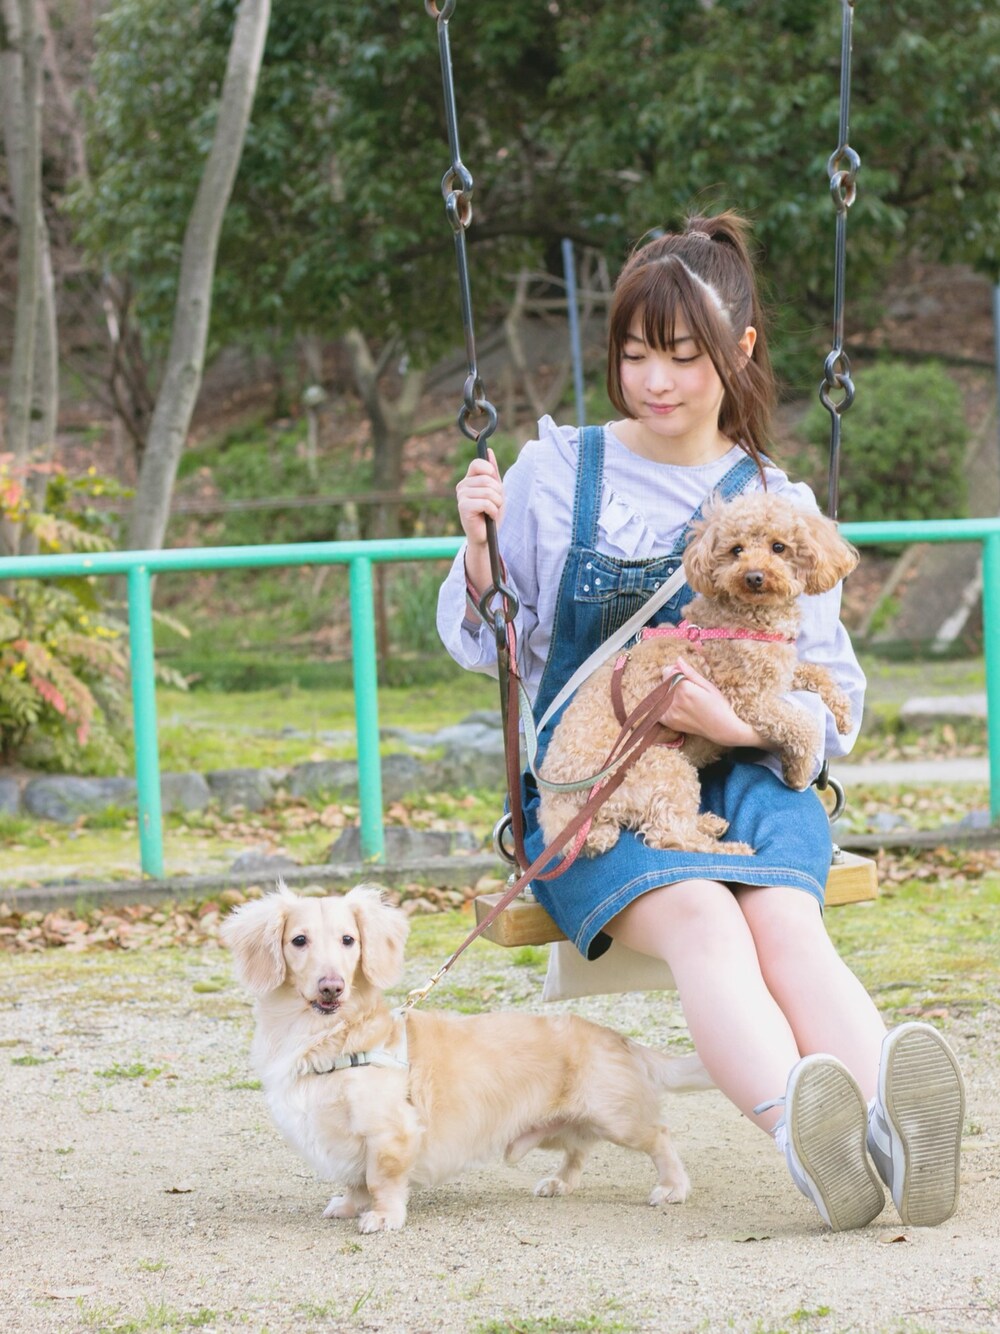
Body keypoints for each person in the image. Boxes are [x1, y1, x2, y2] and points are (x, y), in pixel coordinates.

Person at [436, 211, 965, 1232]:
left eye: (684, 357)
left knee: (785, 921)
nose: (657, 381)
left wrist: (738, 723)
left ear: (740, 349)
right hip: (609, 781)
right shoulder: (556, 473)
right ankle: (810, 1139)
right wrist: (479, 550)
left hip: (752, 772)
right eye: (636, 355)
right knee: (705, 921)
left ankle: (898, 1130)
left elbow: (833, 697)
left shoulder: (774, 498)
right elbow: (485, 641)